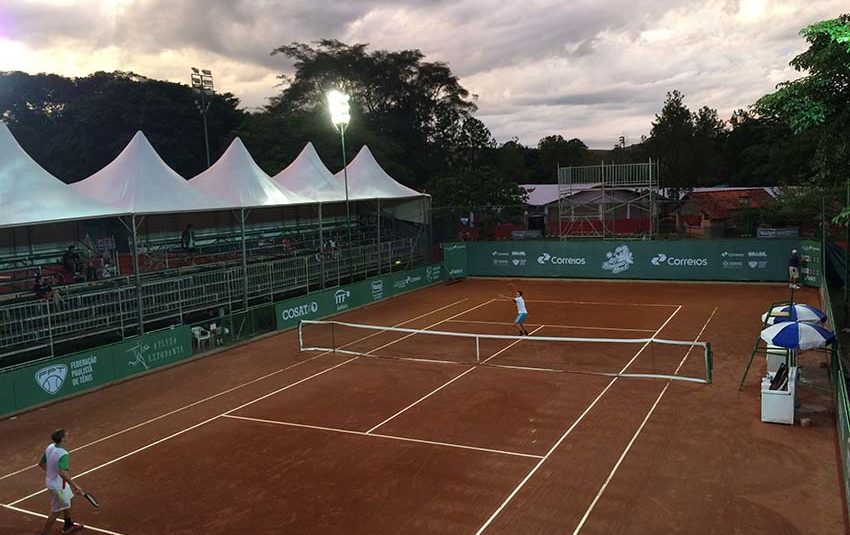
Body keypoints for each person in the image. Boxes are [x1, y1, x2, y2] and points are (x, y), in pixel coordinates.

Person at [38, 428, 85, 534]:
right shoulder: (63, 454)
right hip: (58, 487)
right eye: (67, 435)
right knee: (56, 511)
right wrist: (76, 486)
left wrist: (51, 473)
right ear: (62, 439)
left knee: (69, 499)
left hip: (58, 483)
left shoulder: (50, 447)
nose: (69, 436)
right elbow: (62, 472)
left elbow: (41, 463)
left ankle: (68, 525)